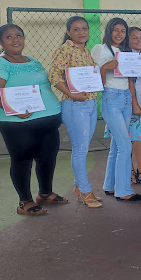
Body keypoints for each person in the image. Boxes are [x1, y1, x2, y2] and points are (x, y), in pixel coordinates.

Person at [0, 24, 64, 216]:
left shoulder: (33, 61)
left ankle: (45, 193)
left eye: (18, 35)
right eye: (9, 36)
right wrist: (14, 110)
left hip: (48, 120)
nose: (15, 39)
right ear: (1, 41)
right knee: (22, 159)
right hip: (17, 123)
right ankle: (25, 201)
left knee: (47, 157)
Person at [49, 16, 102, 208]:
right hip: (75, 105)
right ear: (68, 32)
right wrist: (72, 94)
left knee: (83, 148)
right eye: (76, 29)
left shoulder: (85, 50)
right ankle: (86, 191)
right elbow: (54, 76)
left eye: (84, 29)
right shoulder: (64, 50)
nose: (81, 32)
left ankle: (78, 187)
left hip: (90, 103)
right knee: (80, 149)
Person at [91, 18, 141, 201]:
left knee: (116, 145)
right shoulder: (100, 49)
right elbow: (96, 82)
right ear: (109, 31)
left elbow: (130, 79)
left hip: (126, 98)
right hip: (111, 97)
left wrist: (139, 68)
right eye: (116, 30)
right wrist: (105, 68)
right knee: (125, 145)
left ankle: (111, 186)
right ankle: (124, 191)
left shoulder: (126, 52)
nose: (119, 34)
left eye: (123, 30)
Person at [115, 27, 141, 187]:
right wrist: (134, 103)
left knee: (135, 137)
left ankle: (132, 170)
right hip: (131, 104)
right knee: (136, 138)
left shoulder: (139, 56)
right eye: (134, 38)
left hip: (140, 102)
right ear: (128, 40)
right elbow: (129, 81)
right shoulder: (128, 57)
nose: (139, 40)